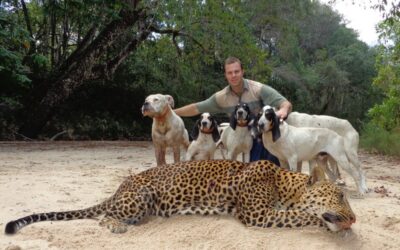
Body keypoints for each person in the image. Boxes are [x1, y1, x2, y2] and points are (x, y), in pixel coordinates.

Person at [174, 56, 292, 164]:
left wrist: (283, 110)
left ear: (242, 72)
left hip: (262, 135)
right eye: (230, 73)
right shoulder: (221, 97)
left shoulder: (258, 89)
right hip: (239, 134)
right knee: (253, 171)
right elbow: (196, 108)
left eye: (236, 71)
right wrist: (171, 113)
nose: (233, 75)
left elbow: (285, 103)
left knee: (265, 167)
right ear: (225, 75)